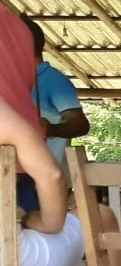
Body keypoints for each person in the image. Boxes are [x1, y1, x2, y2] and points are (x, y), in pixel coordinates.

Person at [2, 8, 121, 266]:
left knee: (21, 229)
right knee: (91, 218)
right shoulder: (12, 107)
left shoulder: (49, 79)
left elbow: (77, 122)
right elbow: (53, 171)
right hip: (35, 178)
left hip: (26, 190)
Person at [23, 17, 90, 193]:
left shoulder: (53, 80)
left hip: (46, 180)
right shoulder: (13, 81)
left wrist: (52, 129)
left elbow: (81, 123)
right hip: (16, 175)